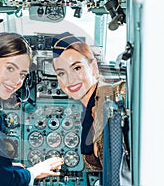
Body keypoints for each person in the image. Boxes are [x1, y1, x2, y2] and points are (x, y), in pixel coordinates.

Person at [0, 32, 64, 186]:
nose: (16, 81)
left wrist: (8, 168)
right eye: (10, 68)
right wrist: (34, 172)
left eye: (22, 74)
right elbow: (4, 180)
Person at [51, 32, 124, 172]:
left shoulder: (118, 94)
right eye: (61, 73)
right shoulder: (88, 113)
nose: (70, 79)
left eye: (77, 68)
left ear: (94, 67)